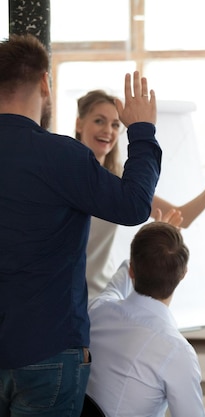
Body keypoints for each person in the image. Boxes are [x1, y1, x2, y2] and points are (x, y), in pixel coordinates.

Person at [0, 34, 161, 416]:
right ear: (44, 82)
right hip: (48, 348)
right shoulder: (61, 157)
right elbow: (135, 204)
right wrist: (141, 131)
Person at [74, 89, 205, 298]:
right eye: (99, 121)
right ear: (79, 123)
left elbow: (182, 217)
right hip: (68, 296)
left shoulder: (118, 185)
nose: (108, 130)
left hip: (102, 296)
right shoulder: (65, 176)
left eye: (115, 124)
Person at [86, 221, 205, 417]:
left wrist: (151, 246)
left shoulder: (99, 309)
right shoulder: (177, 351)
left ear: (132, 269)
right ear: (183, 274)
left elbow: (116, 284)